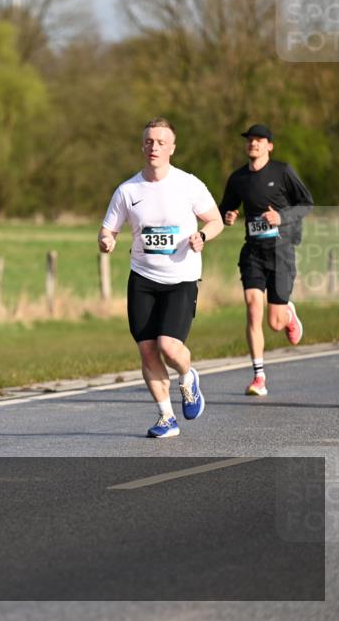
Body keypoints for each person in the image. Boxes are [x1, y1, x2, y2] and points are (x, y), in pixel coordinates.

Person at [98, 118, 224, 438]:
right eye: (149, 141)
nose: (154, 147)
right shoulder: (128, 190)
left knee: (169, 346)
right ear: (143, 146)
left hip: (181, 278)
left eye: (161, 142)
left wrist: (203, 237)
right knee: (147, 351)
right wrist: (106, 240)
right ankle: (166, 417)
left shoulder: (188, 184)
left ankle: (187, 377)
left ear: (172, 148)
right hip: (142, 277)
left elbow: (215, 220)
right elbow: (108, 228)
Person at [219, 124, 314, 396]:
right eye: (250, 140)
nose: (254, 144)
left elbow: (307, 203)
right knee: (252, 306)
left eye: (260, 140)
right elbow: (226, 207)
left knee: (274, 322)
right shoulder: (238, 178)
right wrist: (228, 216)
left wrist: (281, 217)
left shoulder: (283, 172)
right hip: (253, 252)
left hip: (281, 251)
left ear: (269, 146)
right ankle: (258, 377)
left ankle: (288, 314)